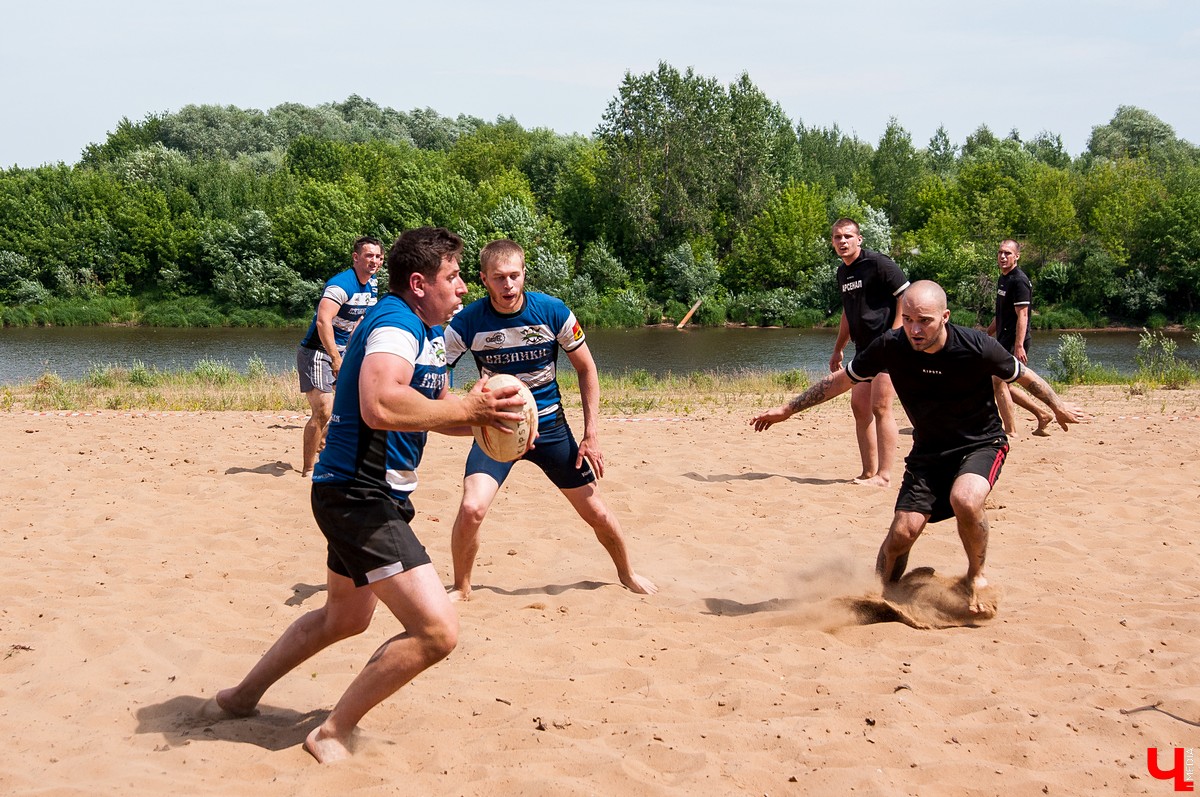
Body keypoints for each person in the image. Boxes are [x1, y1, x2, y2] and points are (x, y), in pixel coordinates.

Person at [217, 228, 528, 763]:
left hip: (363, 494)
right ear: (418, 283)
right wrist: (470, 412)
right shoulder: (394, 323)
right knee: (436, 632)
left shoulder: (427, 331)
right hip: (358, 496)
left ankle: (240, 697)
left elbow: (427, 412)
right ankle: (331, 732)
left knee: (345, 619)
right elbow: (380, 405)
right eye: (452, 278)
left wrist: (491, 421)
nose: (461, 289)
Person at [751, 281, 1089, 614]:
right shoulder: (891, 345)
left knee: (965, 499)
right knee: (903, 533)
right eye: (909, 319)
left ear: (945, 317)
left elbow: (1024, 376)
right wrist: (788, 409)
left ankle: (977, 576)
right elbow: (841, 380)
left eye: (924, 320)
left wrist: (1056, 405)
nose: (914, 329)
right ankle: (880, 593)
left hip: (981, 443)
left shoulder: (975, 346)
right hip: (928, 453)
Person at [442, 239, 657, 601]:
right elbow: (435, 373)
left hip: (551, 430)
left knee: (597, 512)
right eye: (498, 278)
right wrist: (465, 408)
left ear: (525, 274)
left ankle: (627, 573)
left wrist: (591, 434)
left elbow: (587, 369)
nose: (508, 285)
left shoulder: (553, 311)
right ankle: (462, 588)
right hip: (498, 430)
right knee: (471, 508)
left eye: (514, 276)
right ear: (483, 279)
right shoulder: (466, 322)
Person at [828, 218, 910, 487]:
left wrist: (896, 334)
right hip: (863, 349)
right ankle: (868, 472)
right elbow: (847, 314)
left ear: (859, 239)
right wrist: (838, 348)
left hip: (888, 347)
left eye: (848, 236)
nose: (843, 241)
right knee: (860, 407)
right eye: (838, 237)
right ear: (833, 242)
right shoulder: (843, 273)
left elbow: (906, 296)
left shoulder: (878, 263)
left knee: (881, 407)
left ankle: (884, 476)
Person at [296, 236, 383, 476]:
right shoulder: (340, 285)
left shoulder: (373, 285)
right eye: (368, 256)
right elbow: (324, 320)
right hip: (317, 350)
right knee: (324, 410)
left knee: (347, 408)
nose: (374, 261)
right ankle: (308, 468)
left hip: (344, 351)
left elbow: (360, 319)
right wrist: (335, 357)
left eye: (378, 256)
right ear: (356, 258)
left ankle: (325, 449)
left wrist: (357, 351)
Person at [986, 239, 1053, 436]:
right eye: (1000, 253)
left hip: (1015, 340)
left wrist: (1019, 345)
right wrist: (986, 333)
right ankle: (1041, 414)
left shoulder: (1019, 280)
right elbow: (1001, 314)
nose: (1003, 256)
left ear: (1017, 256)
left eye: (1007, 253)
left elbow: (1022, 315)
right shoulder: (1003, 278)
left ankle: (1011, 431)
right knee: (1001, 383)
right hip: (1003, 339)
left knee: (998, 382)